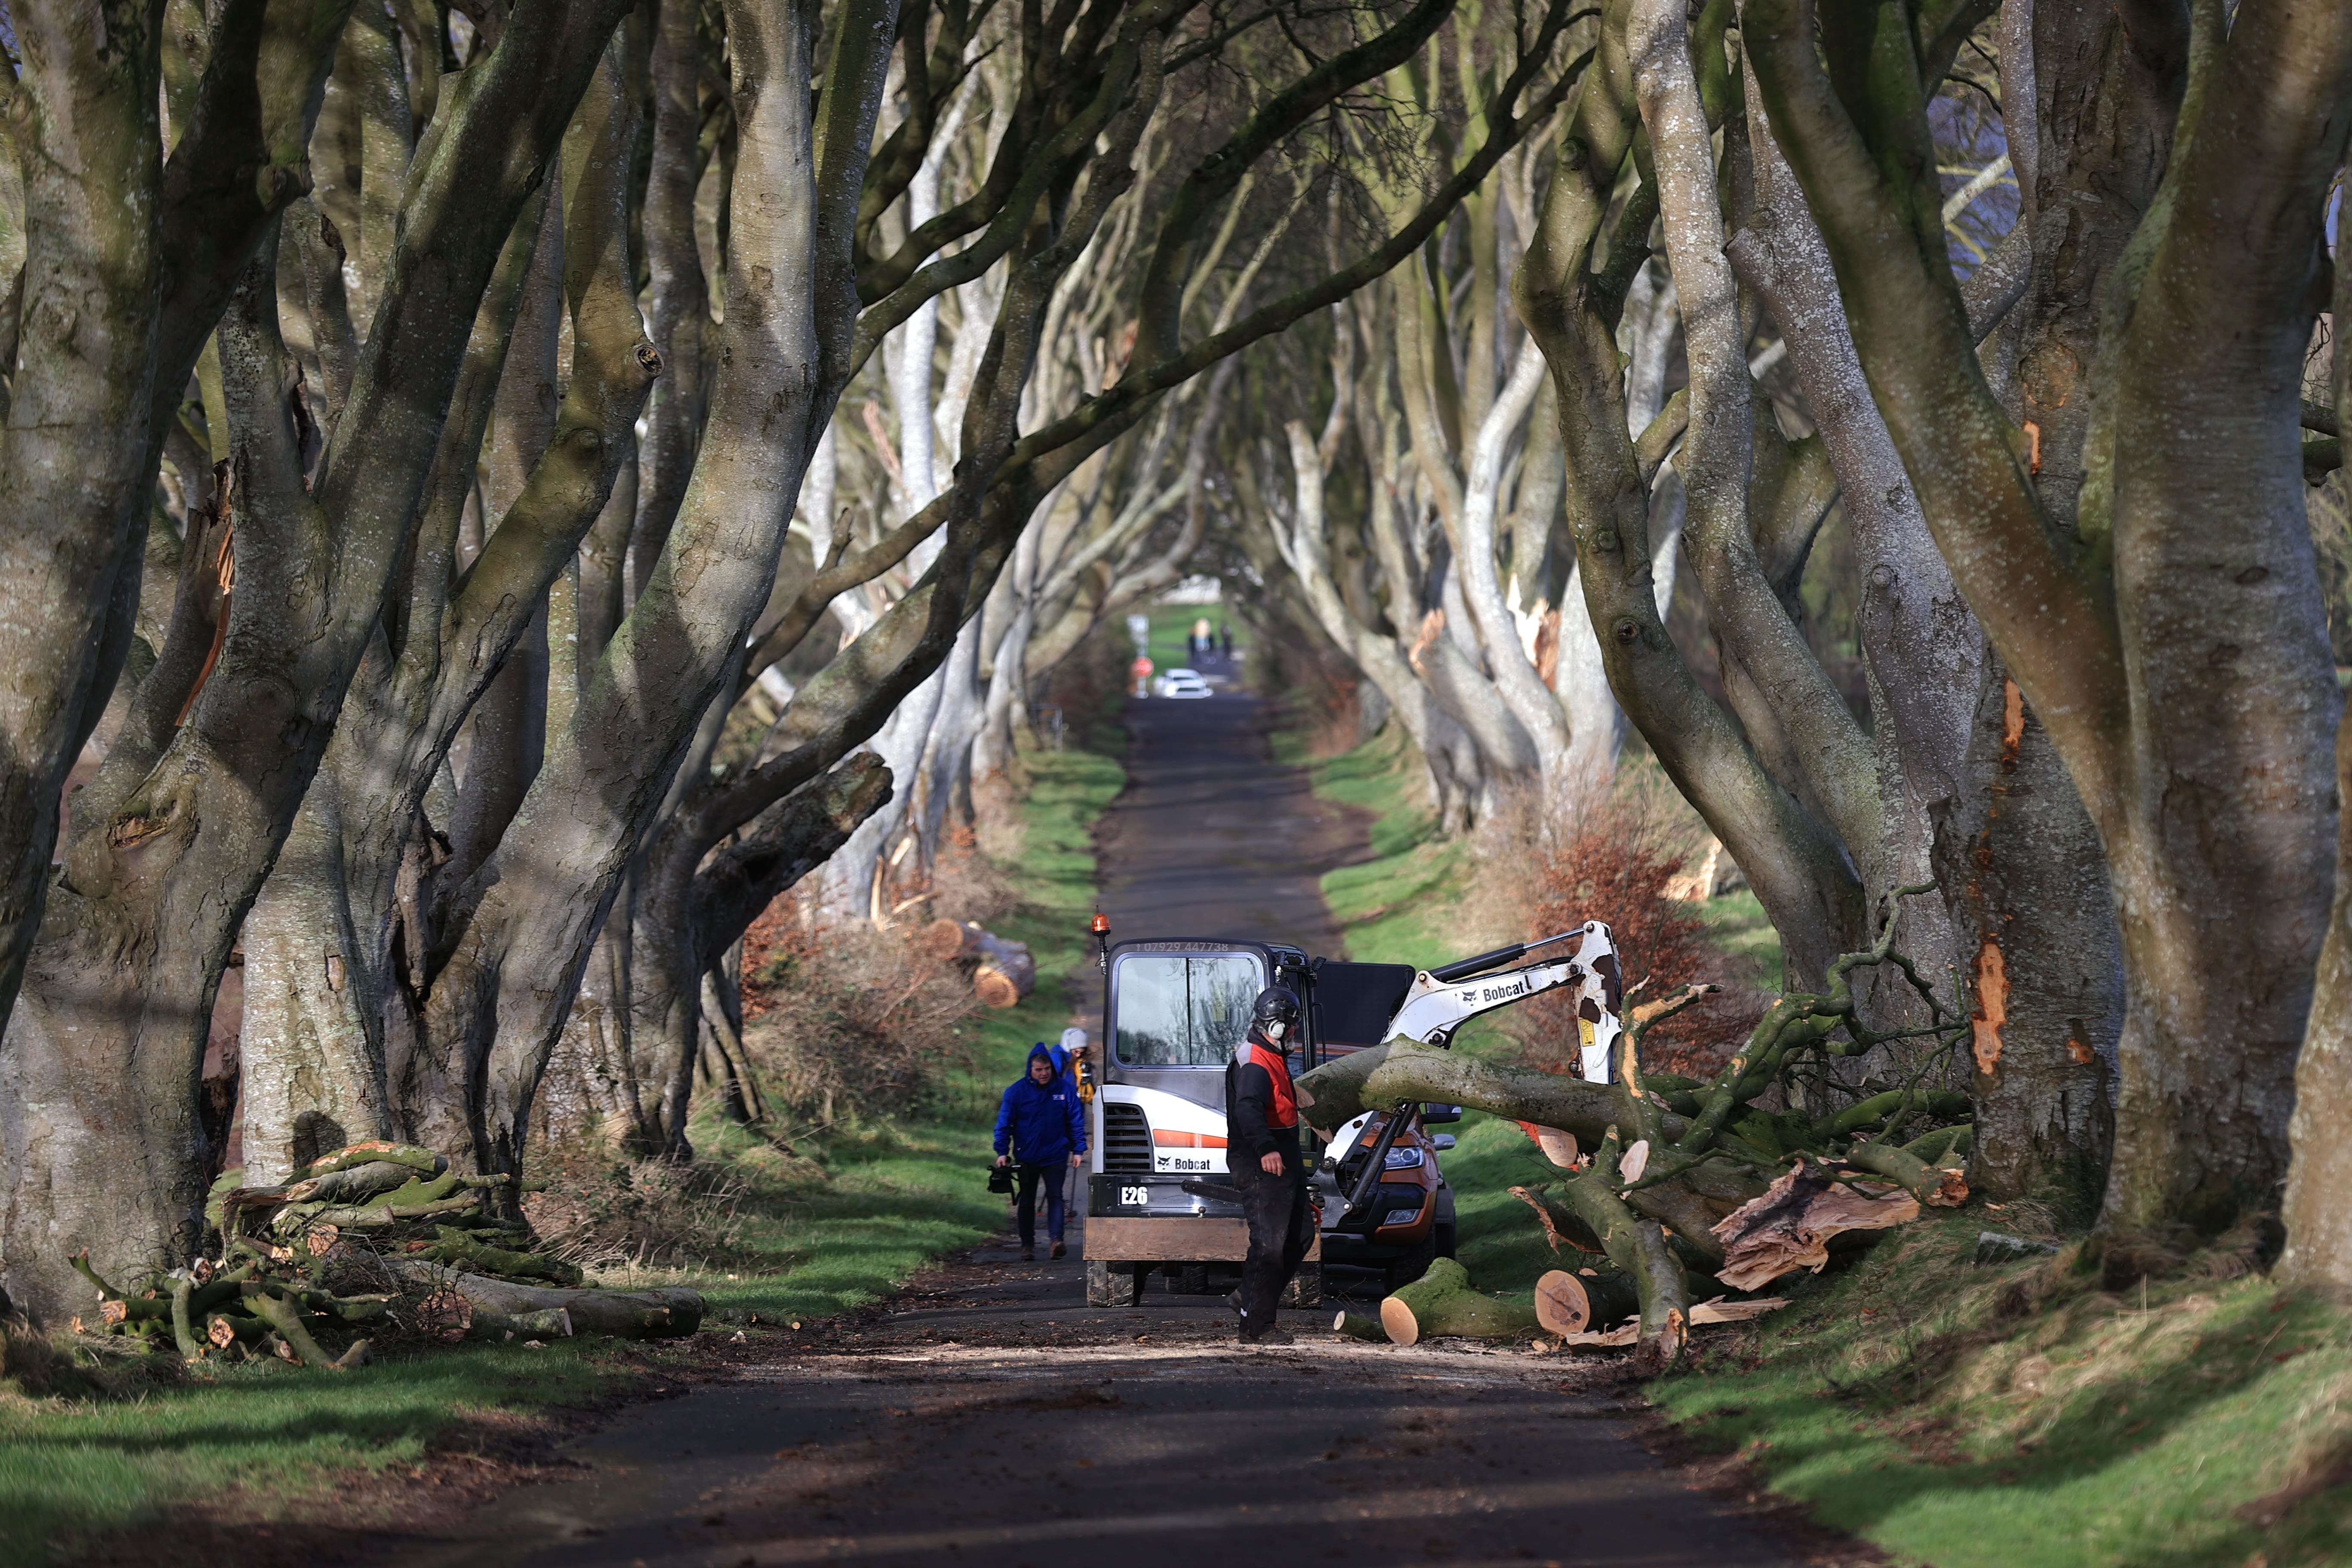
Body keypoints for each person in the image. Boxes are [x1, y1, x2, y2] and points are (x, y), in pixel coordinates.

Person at [1225, 985, 1314, 1344]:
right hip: (1262, 1161)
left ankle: (1250, 1296)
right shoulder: (1256, 1065)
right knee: (1269, 1244)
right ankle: (1256, 1327)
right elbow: (1247, 1108)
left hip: (1284, 1159)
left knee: (1301, 1235)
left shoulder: (1269, 1054)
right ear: (1276, 1027)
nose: (1294, 1033)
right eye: (1291, 1028)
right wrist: (1265, 1148)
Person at [995, 1042, 1087, 1261]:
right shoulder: (1016, 1092)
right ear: (1031, 1070)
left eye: (1046, 1070)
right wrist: (1002, 1151)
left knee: (1056, 1196)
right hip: (1027, 1155)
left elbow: (1075, 1120)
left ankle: (1057, 1240)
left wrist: (1078, 1149)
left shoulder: (1064, 1090)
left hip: (1056, 1153)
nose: (1044, 1074)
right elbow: (1004, 1124)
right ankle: (1027, 1245)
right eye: (1039, 1070)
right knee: (1027, 1200)